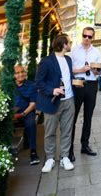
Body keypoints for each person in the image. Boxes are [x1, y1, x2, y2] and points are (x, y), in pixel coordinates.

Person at [35, 34, 75, 172]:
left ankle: (64, 157)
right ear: (64, 44)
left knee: (67, 131)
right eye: (69, 42)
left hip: (69, 100)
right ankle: (50, 158)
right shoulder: (46, 61)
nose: (70, 44)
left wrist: (76, 82)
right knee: (50, 132)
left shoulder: (69, 60)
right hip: (52, 102)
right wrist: (53, 90)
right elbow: (39, 82)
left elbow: (68, 76)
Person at [70, 26, 101, 160]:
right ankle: (69, 148)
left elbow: (99, 70)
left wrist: (96, 71)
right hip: (78, 84)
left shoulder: (97, 52)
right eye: (85, 36)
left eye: (89, 36)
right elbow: (70, 70)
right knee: (73, 117)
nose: (87, 39)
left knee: (88, 117)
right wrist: (81, 69)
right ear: (81, 35)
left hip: (92, 84)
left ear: (92, 37)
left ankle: (85, 145)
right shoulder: (74, 51)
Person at [13, 64, 40, 165]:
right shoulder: (9, 86)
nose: (20, 74)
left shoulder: (31, 85)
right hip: (12, 113)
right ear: (13, 75)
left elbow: (33, 105)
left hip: (26, 112)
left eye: (22, 72)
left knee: (30, 124)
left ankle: (33, 152)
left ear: (25, 73)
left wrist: (22, 114)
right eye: (17, 73)